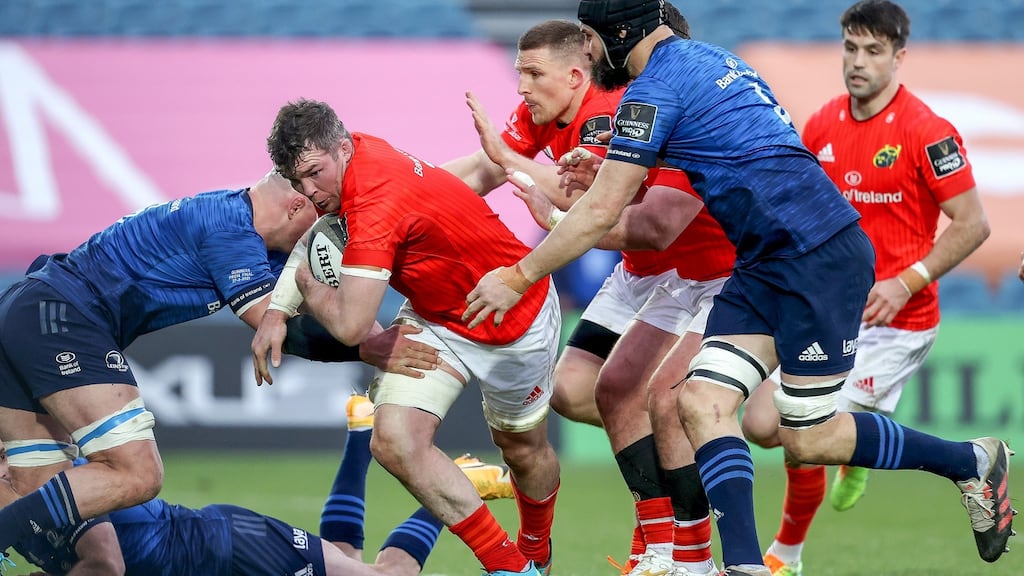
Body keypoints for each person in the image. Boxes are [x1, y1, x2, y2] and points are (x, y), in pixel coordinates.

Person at [462, 1, 1014, 574]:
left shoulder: (655, 90)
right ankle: (740, 566)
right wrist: (596, 167)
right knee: (698, 402)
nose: (592, 53)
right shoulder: (712, 61)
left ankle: (970, 461)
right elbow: (691, 155)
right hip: (763, 260)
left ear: (620, 34)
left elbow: (605, 211)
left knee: (809, 439)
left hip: (815, 257)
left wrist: (519, 275)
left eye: (592, 40)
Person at [0, 172, 438, 560]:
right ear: (296, 204)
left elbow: (340, 317)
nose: (328, 226)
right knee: (139, 473)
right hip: (64, 314)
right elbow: (274, 326)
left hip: (29, 310)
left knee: (36, 483)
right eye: (324, 212)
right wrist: (368, 351)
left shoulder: (265, 241)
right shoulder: (230, 231)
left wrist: (383, 344)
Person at [444, 16, 734, 576]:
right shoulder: (541, 114)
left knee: (651, 400)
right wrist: (410, 187)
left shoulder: (618, 108)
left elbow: (592, 203)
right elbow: (487, 168)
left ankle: (665, 544)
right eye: (518, 72)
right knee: (575, 390)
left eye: (533, 73)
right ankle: (673, 499)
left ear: (576, 75)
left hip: (696, 271)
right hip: (639, 272)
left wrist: (515, 167)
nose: (522, 87)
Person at [738, 2, 991, 574]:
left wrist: (908, 281)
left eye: (873, 51)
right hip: (831, 308)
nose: (858, 62)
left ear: (899, 57)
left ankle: (787, 555)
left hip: (896, 320)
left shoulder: (928, 132)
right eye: (851, 48)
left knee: (803, 429)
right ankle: (853, 448)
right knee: (761, 422)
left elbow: (974, 224)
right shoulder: (823, 123)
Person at [261, 99, 562, 576]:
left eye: (315, 174)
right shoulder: (353, 152)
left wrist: (307, 290)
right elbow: (321, 234)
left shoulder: (374, 200)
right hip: (436, 319)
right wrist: (277, 310)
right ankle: (510, 567)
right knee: (394, 440)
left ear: (342, 149)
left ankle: (536, 547)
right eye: (299, 182)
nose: (310, 191)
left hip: (514, 317)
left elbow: (351, 327)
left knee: (524, 451)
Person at [4, 394, 512, 575]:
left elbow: (107, 563)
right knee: (345, 558)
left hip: (232, 553)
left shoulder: (56, 492)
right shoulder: (26, 499)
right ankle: (360, 436)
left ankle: (458, 484)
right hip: (224, 546)